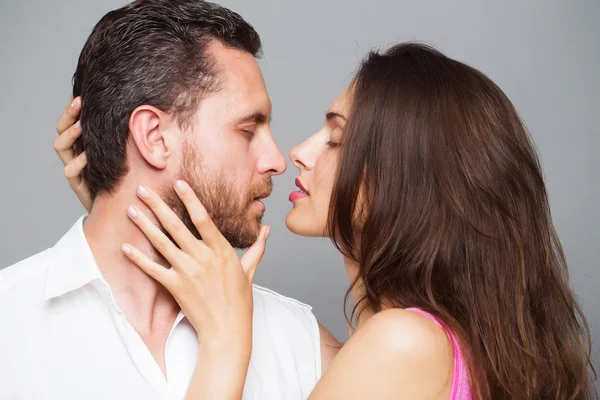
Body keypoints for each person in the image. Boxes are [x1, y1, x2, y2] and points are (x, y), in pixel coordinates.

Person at [58, 44, 596, 398]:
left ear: (401, 177)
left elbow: (236, 318)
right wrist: (125, 209)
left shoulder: (401, 343)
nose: (298, 152)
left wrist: (224, 345)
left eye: (336, 138)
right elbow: (250, 307)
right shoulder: (407, 345)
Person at [0, 1, 339, 399]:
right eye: (248, 130)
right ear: (155, 137)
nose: (277, 161)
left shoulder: (300, 342)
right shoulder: (10, 326)